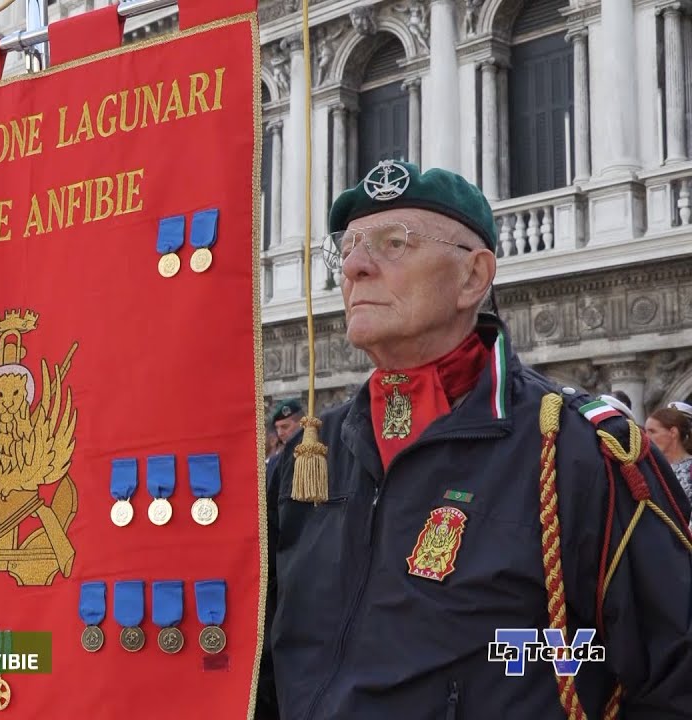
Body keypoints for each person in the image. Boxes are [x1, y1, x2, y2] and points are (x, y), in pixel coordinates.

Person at [256, 161, 692, 719]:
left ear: (473, 276)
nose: (356, 267)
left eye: (394, 243)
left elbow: (674, 673)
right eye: (347, 249)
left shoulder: (579, 451)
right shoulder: (304, 462)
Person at [645, 404, 692, 505]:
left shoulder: (690, 468)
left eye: (652, 431)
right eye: (646, 432)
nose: (646, 437)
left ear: (673, 432)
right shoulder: (650, 469)